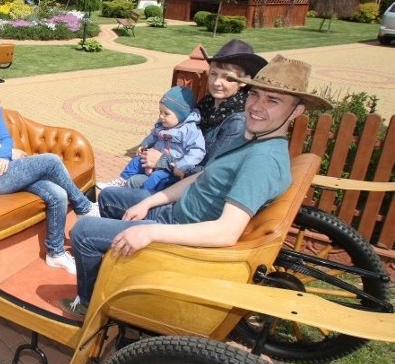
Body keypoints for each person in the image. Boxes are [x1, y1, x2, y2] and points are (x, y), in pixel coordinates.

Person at [60, 55, 331, 317]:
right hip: (177, 212)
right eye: (255, 94)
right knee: (110, 198)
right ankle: (116, 273)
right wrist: (149, 202)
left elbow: (225, 232)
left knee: (84, 231)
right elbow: (201, 177)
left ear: (296, 111)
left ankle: (89, 305)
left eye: (272, 100)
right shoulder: (252, 139)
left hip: (183, 232)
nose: (257, 106)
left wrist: (149, 233)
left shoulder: (262, 160)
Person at [0, 49, 100, 275]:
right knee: (51, 160)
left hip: (2, 169)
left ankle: (55, 253)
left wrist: (2, 155)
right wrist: (5, 153)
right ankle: (84, 208)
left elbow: (5, 135)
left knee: (57, 193)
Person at [114, 39, 267, 187]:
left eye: (228, 78)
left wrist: (163, 161)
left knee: (135, 183)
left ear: (244, 81)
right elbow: (172, 127)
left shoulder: (237, 122)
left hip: (193, 187)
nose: (216, 82)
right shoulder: (205, 105)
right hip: (177, 171)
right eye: (214, 74)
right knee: (134, 173)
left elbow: (210, 173)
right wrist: (151, 144)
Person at [103, 86, 205, 193]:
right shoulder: (162, 124)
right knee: (136, 161)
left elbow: (197, 150)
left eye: (166, 113)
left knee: (155, 178)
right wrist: (145, 144)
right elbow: (153, 135)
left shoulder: (190, 130)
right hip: (155, 159)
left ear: (181, 116)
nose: (161, 116)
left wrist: (182, 165)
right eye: (160, 111)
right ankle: (121, 181)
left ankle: (142, 196)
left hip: (170, 168)